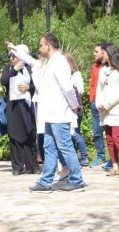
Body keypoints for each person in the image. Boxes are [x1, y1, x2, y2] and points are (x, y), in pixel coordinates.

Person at [28, 32, 86, 193]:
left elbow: (67, 88)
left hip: (59, 113)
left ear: (48, 46)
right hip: (50, 113)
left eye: (41, 45)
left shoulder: (59, 62)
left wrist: (74, 105)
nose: (39, 48)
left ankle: (77, 180)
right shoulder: (50, 62)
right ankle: (45, 181)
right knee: (49, 147)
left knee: (65, 147)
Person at [1, 45, 40, 176]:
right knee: (14, 134)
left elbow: (38, 85)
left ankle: (32, 165)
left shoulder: (29, 69)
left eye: (14, 56)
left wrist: (28, 87)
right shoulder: (8, 69)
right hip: (13, 107)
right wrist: (14, 70)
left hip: (26, 106)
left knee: (30, 133)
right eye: (10, 56)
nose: (11, 59)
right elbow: (3, 81)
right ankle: (17, 166)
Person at [96, 42, 119, 177]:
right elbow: (99, 89)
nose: (101, 55)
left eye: (104, 53)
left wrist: (108, 104)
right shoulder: (103, 70)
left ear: (110, 53)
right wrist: (99, 104)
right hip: (104, 110)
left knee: (116, 136)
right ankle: (115, 165)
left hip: (117, 108)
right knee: (109, 138)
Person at [65, 52, 90, 167]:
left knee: (74, 132)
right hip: (67, 108)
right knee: (71, 133)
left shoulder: (76, 75)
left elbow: (80, 90)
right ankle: (74, 156)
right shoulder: (65, 75)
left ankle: (84, 156)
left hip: (76, 108)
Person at [89, 43, 111, 169]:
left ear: (103, 52)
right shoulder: (94, 67)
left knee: (110, 132)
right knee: (97, 132)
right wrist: (92, 99)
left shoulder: (110, 67)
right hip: (95, 104)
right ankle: (101, 156)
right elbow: (93, 84)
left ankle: (113, 159)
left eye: (96, 51)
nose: (94, 54)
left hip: (106, 105)